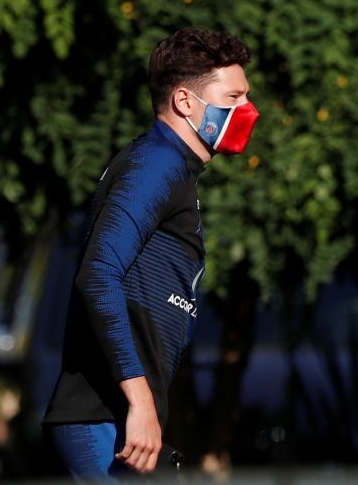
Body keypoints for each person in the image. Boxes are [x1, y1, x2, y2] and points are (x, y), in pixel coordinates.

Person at [42, 27, 260, 481]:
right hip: (102, 416)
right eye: (234, 97)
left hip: (117, 418)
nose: (247, 111)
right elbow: (98, 274)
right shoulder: (156, 164)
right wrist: (139, 402)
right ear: (185, 101)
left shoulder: (174, 170)